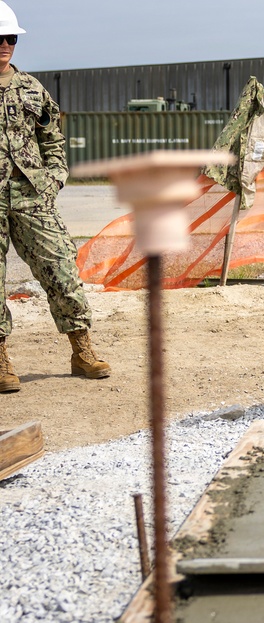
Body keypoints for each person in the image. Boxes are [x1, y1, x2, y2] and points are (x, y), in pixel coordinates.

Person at [0, 1, 110, 393]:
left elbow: (53, 140)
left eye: (10, 38)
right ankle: (1, 361)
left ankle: (82, 351)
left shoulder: (32, 88)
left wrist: (54, 180)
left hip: (32, 194)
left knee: (62, 268)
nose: (4, 45)